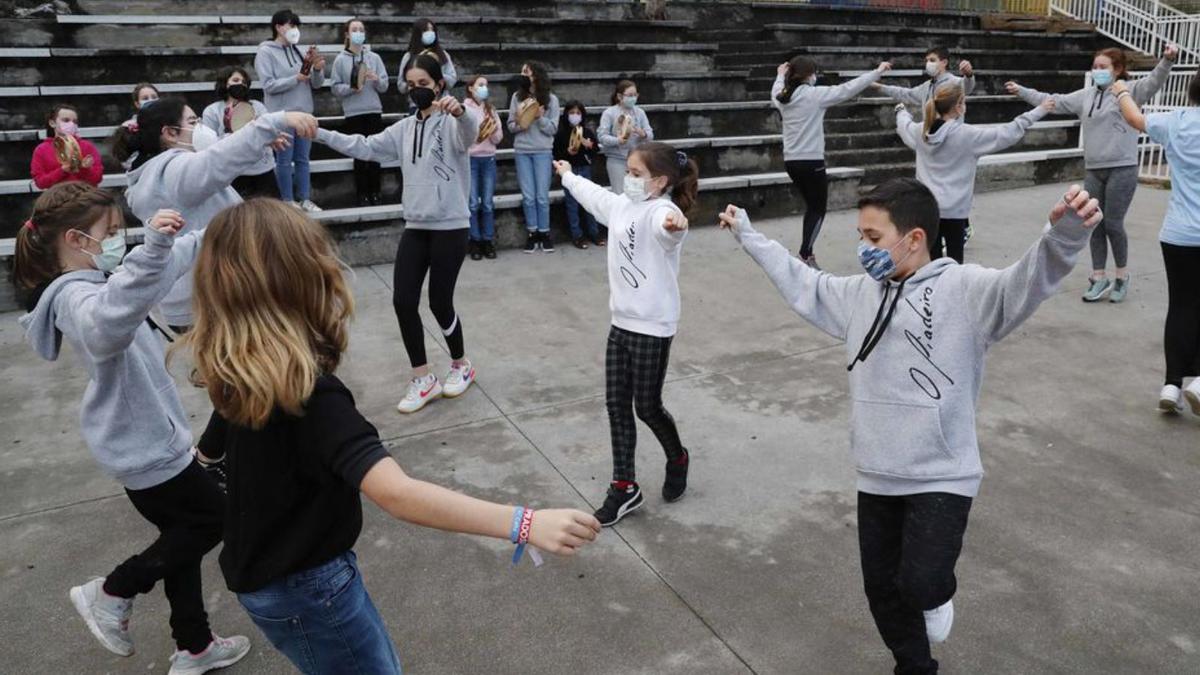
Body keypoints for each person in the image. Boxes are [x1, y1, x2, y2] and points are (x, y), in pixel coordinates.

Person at [185, 199, 601, 673]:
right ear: (303, 279)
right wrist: (526, 524)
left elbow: (208, 456)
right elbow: (398, 494)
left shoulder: (237, 368)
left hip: (268, 578)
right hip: (310, 587)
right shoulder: (311, 396)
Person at [718, 178, 1102, 675]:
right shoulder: (858, 294)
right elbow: (802, 282)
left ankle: (937, 595)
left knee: (921, 585)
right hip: (877, 472)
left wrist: (1064, 237)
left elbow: (1023, 283)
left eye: (873, 238)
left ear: (914, 238)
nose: (863, 249)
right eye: (860, 236)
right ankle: (915, 667)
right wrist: (749, 235)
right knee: (881, 590)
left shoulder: (966, 290)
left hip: (942, 473)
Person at [13, 183, 252, 673]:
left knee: (180, 540)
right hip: (144, 450)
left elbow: (151, 274)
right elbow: (107, 327)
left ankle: (196, 646)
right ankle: (113, 590)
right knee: (216, 519)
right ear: (77, 240)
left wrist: (220, 230)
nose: (121, 240)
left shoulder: (101, 282)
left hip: (151, 441)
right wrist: (154, 249)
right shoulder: (74, 298)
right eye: (112, 233)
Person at [314, 54, 479, 415]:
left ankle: (460, 364)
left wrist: (461, 112)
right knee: (403, 300)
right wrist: (320, 132)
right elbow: (365, 146)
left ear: (439, 85)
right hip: (416, 226)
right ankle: (423, 377)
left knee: (439, 302)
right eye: (412, 84)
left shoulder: (454, 122)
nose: (417, 90)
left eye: (425, 84)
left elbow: (471, 132)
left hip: (450, 226)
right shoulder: (404, 129)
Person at [552, 141, 698, 527]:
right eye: (628, 172)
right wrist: (568, 175)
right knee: (617, 406)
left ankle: (677, 456)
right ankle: (624, 487)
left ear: (660, 181)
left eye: (636, 174)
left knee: (646, 407)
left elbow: (669, 233)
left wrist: (676, 227)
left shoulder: (661, 210)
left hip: (652, 327)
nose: (628, 179)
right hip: (621, 324)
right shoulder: (621, 205)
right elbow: (594, 194)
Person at [113, 96, 318, 330]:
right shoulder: (172, 170)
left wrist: (260, 141)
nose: (199, 127)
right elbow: (216, 161)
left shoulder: (155, 170)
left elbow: (217, 155)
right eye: (192, 122)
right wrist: (273, 122)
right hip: (208, 299)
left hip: (202, 294)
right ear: (169, 133)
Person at [1007, 44, 1178, 302]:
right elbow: (1052, 101)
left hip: (1122, 168)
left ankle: (1121, 276)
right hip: (1094, 170)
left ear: (1117, 69)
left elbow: (1155, 81)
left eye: (1103, 67)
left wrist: (1167, 60)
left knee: (1113, 223)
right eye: (1095, 67)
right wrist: (1021, 91)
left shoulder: (1129, 91)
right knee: (1093, 222)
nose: (1097, 71)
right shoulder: (1085, 96)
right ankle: (1099, 277)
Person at [1113, 75, 1200, 413]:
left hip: (1177, 234)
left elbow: (1134, 118)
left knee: (1181, 306)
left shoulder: (1176, 122)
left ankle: (1171, 386)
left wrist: (1120, 90)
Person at [896, 85, 1055, 263]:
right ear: (958, 106)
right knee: (955, 260)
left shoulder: (920, 131)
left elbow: (904, 126)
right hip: (955, 211)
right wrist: (1039, 110)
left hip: (927, 208)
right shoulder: (967, 135)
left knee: (932, 261)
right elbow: (1007, 132)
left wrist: (901, 111)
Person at [773, 57, 892, 267]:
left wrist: (780, 74)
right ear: (810, 75)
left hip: (791, 162)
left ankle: (806, 251)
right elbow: (848, 88)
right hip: (811, 162)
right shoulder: (814, 95)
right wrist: (877, 72)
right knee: (818, 208)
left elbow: (777, 89)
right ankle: (805, 254)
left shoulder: (782, 98)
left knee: (812, 207)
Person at [255, 8, 325, 212]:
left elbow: (316, 84)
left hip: (304, 112)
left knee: (303, 159)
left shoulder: (299, 51)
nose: (295, 30)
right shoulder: (265, 52)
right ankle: (286, 200)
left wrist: (318, 68)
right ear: (278, 27)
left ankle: (304, 198)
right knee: (284, 160)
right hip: (282, 116)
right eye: (291, 25)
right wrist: (296, 78)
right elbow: (268, 85)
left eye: (296, 26)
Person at [332, 18, 390, 206]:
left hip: (373, 109)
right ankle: (362, 193)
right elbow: (335, 88)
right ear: (347, 34)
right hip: (353, 112)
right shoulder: (340, 60)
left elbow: (385, 86)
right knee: (358, 153)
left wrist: (375, 79)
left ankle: (376, 191)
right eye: (354, 29)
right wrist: (351, 88)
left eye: (361, 29)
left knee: (375, 151)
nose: (359, 33)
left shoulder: (374, 58)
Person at [201, 67, 277, 199]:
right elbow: (209, 144)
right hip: (232, 173)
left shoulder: (257, 106)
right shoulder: (212, 111)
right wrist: (231, 131)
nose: (240, 84)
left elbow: (270, 131)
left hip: (262, 170)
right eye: (236, 80)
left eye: (244, 82)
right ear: (225, 83)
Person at [509, 61, 560, 252]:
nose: (523, 74)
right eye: (521, 71)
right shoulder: (517, 97)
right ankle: (532, 233)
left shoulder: (551, 100)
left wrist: (539, 118)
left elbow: (553, 129)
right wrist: (521, 124)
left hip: (542, 151)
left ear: (536, 75)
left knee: (541, 196)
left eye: (526, 71)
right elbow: (511, 126)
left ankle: (544, 233)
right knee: (528, 196)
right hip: (522, 150)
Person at [554, 99, 602, 249]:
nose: (575, 115)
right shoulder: (561, 134)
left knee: (589, 202)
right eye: (572, 113)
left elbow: (595, 150)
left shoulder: (586, 132)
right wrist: (566, 152)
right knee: (572, 204)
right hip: (569, 171)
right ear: (566, 115)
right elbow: (556, 153)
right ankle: (577, 235)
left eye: (578, 113)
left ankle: (594, 233)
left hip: (584, 169)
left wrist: (589, 145)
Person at [465, 75, 502, 260]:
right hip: (471, 159)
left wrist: (493, 128)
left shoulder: (491, 109)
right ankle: (475, 240)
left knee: (487, 203)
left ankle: (488, 240)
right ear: (471, 88)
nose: (484, 88)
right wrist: (479, 130)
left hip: (488, 159)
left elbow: (498, 138)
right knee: (472, 203)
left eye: (486, 85)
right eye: (480, 85)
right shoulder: (465, 109)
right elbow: (463, 136)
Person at [874, 46, 975, 112]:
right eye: (927, 61)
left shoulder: (954, 82)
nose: (928, 64)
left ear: (944, 62)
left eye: (932, 60)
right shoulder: (927, 86)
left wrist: (969, 74)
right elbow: (905, 93)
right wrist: (878, 86)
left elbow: (967, 87)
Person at [598, 79, 653, 195]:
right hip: (617, 159)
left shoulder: (640, 112)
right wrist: (618, 140)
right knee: (620, 195)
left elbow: (650, 134)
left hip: (637, 159)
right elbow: (602, 137)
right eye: (629, 95)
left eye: (635, 95)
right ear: (619, 96)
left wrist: (642, 133)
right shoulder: (609, 113)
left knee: (637, 194)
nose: (633, 98)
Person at [31, 104, 103, 189]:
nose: (71, 124)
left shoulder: (87, 146)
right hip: (57, 199)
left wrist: (84, 168)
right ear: (52, 123)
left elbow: (97, 178)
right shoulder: (41, 150)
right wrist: (62, 171)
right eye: (66, 120)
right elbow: (40, 183)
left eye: (75, 122)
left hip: (85, 198)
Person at [396, 18, 457, 96]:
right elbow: (401, 85)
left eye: (432, 30)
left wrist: (437, 72)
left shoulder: (443, 54)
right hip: (417, 103)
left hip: (442, 101)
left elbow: (452, 80)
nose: (430, 33)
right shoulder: (409, 56)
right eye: (426, 30)